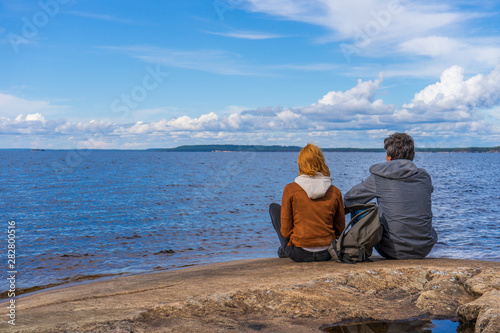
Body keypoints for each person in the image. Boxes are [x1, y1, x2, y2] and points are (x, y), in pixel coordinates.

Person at [344, 133, 438, 259]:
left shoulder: (379, 177)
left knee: (358, 206)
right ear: (413, 155)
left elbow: (349, 198)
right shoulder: (424, 177)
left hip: (392, 250)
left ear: (388, 157)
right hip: (424, 248)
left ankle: (354, 249)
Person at [269, 143, 345, 262]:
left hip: (300, 253)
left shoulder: (290, 189)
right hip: (327, 252)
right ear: (321, 163)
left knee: (273, 208)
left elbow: (285, 231)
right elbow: (340, 228)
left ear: (301, 164)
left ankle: (285, 249)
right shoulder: (335, 191)